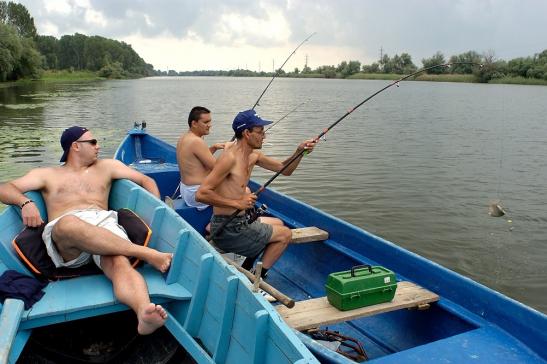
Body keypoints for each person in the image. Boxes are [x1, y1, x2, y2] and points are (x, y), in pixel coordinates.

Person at [0, 126, 172, 335]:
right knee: (68, 224)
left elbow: (146, 180)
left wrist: (158, 208)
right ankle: (145, 253)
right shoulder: (47, 174)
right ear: (75, 146)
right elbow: (5, 187)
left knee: (119, 263)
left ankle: (143, 311)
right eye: (93, 142)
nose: (98, 146)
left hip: (104, 226)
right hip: (68, 239)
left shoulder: (108, 167)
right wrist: (25, 202)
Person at [196, 110, 316, 277]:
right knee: (285, 235)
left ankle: (246, 266)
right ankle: (257, 278)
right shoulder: (229, 158)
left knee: (278, 223)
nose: (264, 137)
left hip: (241, 221)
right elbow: (201, 194)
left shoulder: (253, 156)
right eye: (260, 132)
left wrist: (299, 152)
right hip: (227, 228)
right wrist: (237, 203)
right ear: (246, 133)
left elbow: (284, 169)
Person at [176, 106, 225, 210]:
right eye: (206, 122)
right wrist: (231, 156)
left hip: (186, 190)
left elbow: (196, 161)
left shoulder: (184, 137)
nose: (209, 125)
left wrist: (213, 148)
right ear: (194, 123)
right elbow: (218, 169)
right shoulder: (197, 141)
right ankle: (213, 223)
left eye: (210, 122)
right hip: (197, 194)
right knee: (238, 189)